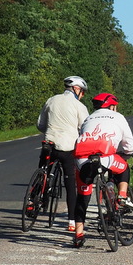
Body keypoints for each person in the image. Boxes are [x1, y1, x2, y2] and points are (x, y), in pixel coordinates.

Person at [72, 92, 133, 248]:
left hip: (82, 160)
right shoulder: (118, 117)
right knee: (123, 168)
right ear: (112, 106)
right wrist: (126, 153)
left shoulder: (88, 118)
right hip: (105, 157)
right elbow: (130, 146)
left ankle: (78, 234)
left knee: (82, 197)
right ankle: (122, 196)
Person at [36, 75, 89, 232]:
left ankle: (33, 200)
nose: (82, 95)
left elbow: (40, 124)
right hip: (68, 148)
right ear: (76, 89)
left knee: (42, 170)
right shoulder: (79, 106)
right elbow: (85, 128)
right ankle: (72, 221)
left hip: (49, 144)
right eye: (83, 92)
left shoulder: (51, 100)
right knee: (70, 183)